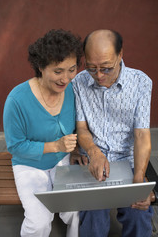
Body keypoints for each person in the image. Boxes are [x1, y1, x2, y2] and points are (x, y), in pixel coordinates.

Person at [71, 29, 153, 237]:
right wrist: (94, 153)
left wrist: (138, 182)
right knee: (93, 217)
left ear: (120, 55)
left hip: (128, 161)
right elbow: (82, 128)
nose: (98, 76)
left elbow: (142, 136)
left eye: (106, 68)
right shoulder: (79, 82)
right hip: (93, 162)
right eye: (92, 68)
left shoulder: (141, 83)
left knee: (139, 216)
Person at [3, 29, 83, 237]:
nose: (66, 78)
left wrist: (74, 151)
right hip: (29, 165)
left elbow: (78, 128)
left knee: (77, 212)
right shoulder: (17, 100)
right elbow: (15, 146)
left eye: (72, 69)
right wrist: (55, 146)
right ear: (40, 67)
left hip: (62, 161)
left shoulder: (73, 91)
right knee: (39, 222)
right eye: (58, 71)